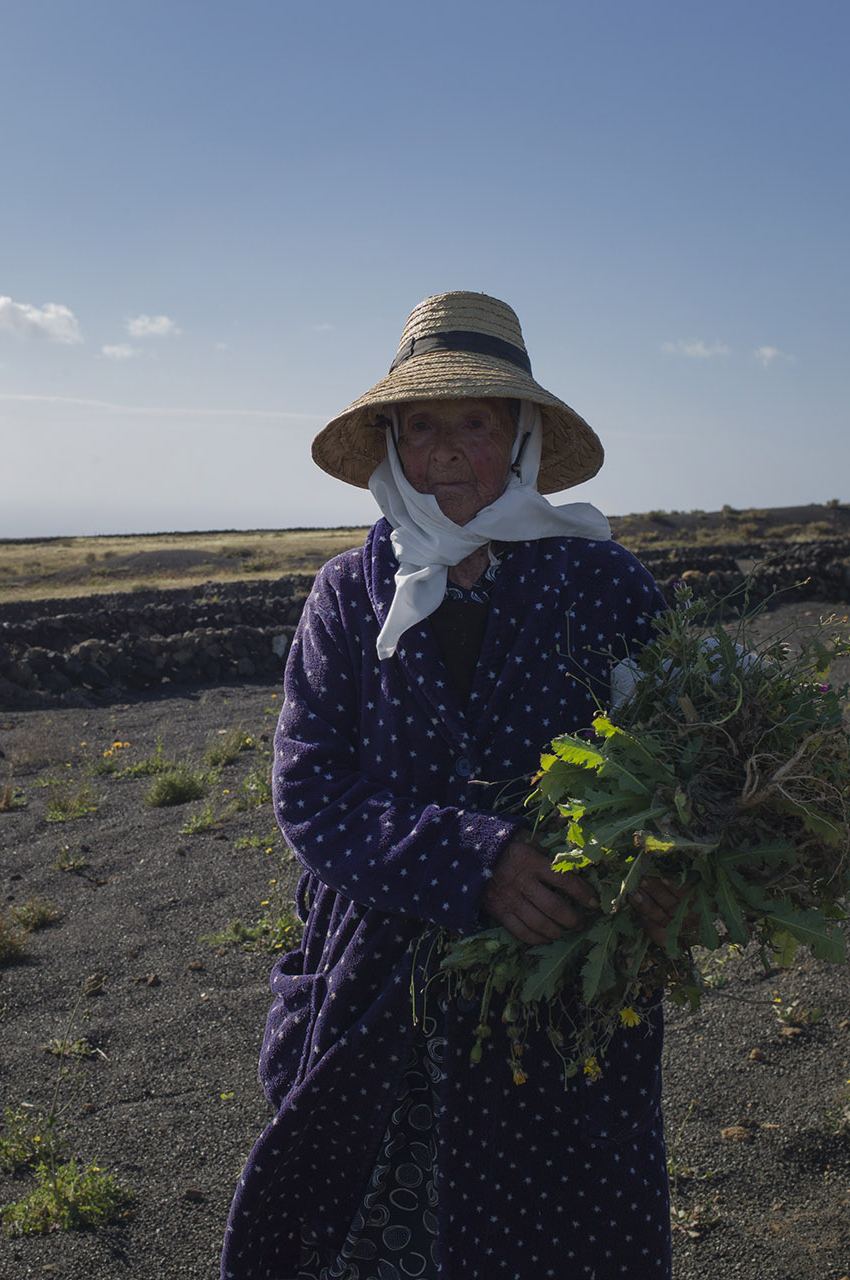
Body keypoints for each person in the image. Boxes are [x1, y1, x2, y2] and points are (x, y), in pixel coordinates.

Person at [223, 291, 681, 1280]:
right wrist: (478, 861)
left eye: (474, 422)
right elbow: (311, 793)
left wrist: (668, 866)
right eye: (422, 424)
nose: (445, 452)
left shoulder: (605, 584)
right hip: (386, 1003)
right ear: (390, 440)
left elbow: (680, 765)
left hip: (564, 1001)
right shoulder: (349, 594)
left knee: (570, 1241)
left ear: (518, 436)